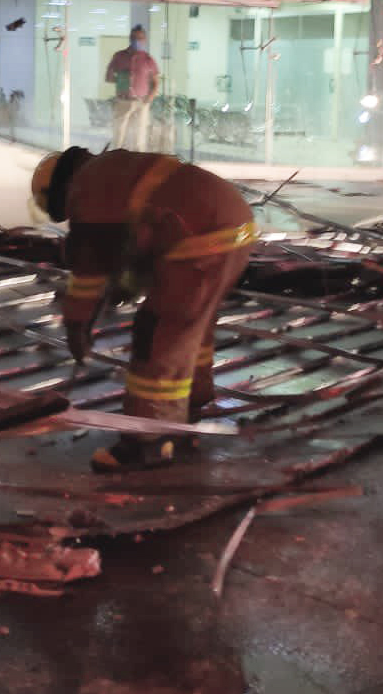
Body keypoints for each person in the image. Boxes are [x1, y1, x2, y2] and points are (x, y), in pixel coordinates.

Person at [31, 146, 257, 471]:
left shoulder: (86, 189)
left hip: (200, 239)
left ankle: (150, 440)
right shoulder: (110, 170)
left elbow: (90, 271)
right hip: (232, 227)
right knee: (191, 327)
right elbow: (144, 229)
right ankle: (189, 410)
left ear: (57, 190)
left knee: (159, 332)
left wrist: (76, 325)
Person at [104, 25, 160, 151]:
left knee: (139, 138)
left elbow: (156, 83)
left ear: (144, 40)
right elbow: (108, 77)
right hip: (123, 101)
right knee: (118, 136)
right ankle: (115, 161)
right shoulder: (119, 56)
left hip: (141, 102)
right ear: (130, 38)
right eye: (134, 37)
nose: (137, 41)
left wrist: (149, 99)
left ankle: (137, 164)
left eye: (140, 38)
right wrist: (121, 78)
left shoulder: (148, 59)